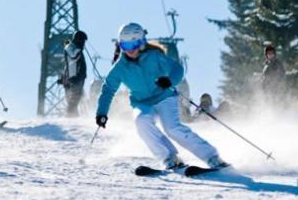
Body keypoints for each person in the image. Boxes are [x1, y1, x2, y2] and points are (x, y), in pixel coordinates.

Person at [95, 23, 229, 170]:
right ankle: (170, 158)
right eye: (125, 46)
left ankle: (212, 157)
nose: (130, 50)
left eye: (134, 44)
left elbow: (177, 68)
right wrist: (101, 113)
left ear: (141, 42)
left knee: (172, 128)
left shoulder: (154, 56)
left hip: (164, 97)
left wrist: (170, 80)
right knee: (141, 121)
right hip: (142, 102)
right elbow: (108, 90)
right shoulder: (120, 67)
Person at [60, 30, 88, 116]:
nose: (83, 44)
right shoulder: (70, 47)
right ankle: (70, 116)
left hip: (78, 78)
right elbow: (73, 56)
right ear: (78, 40)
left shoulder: (76, 49)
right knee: (74, 99)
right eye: (82, 41)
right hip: (74, 78)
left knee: (77, 99)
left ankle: (73, 116)